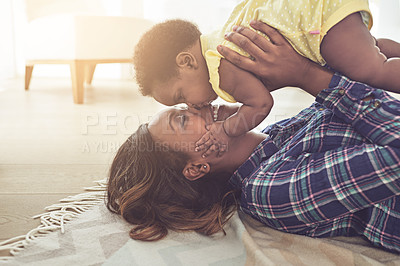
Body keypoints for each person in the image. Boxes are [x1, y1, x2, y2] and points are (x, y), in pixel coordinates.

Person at [108, 23, 400, 253]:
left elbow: (359, 92)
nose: (202, 105)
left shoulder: (280, 134)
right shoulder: (270, 191)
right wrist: (305, 75)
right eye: (183, 118)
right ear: (196, 167)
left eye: (186, 105)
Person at [133, 0, 400, 158]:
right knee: (370, 51)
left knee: (372, 72)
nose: (191, 106)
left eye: (181, 96)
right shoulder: (218, 41)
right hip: (315, 18)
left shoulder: (222, 69)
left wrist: (226, 130)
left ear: (187, 62)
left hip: (316, 20)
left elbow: (260, 104)